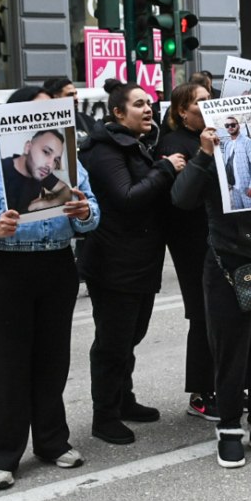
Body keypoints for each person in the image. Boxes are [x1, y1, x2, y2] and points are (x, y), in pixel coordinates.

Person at [0, 91, 98, 490]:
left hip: (55, 265)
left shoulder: (67, 161)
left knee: (53, 360)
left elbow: (91, 210)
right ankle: (0, 455)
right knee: (6, 366)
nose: (49, 158)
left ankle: (52, 441)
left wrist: (84, 212)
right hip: (4, 268)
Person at [171, 108, 251, 469]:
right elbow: (181, 198)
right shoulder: (210, 152)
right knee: (230, 350)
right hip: (227, 264)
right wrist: (203, 155)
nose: (234, 127)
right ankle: (229, 429)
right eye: (229, 121)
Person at [78, 81, 185, 446]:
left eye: (150, 103)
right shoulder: (104, 149)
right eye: (139, 104)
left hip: (140, 260)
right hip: (114, 262)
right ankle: (104, 415)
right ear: (118, 113)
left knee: (131, 335)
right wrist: (165, 169)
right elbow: (126, 197)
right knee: (113, 341)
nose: (148, 109)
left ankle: (124, 400)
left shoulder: (138, 143)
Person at [155, 83, 216, 420]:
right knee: (203, 314)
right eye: (200, 102)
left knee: (218, 314)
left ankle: (219, 384)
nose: (208, 106)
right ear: (181, 111)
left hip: (214, 235)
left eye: (210, 100)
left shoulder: (207, 135)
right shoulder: (174, 144)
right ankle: (201, 393)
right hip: (192, 240)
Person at [1, 129, 73, 214]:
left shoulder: (41, 172)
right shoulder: (0, 170)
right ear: (28, 147)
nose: (50, 165)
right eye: (46, 152)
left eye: (56, 160)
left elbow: (66, 190)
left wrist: (47, 204)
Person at [221, 115, 251, 209]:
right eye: (227, 125)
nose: (230, 127)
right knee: (239, 215)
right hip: (234, 188)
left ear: (238, 125)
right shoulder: (227, 144)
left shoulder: (248, 142)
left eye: (232, 125)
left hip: (247, 187)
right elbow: (227, 164)